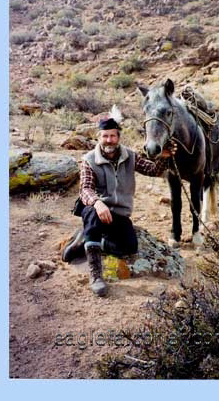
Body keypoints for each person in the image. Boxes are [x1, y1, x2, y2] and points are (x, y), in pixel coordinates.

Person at [75, 109, 176, 297]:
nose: (109, 140)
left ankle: (89, 241)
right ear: (99, 137)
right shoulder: (89, 160)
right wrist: (97, 203)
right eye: (105, 136)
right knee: (90, 212)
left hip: (119, 214)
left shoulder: (130, 156)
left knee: (129, 247)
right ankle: (96, 276)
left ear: (118, 137)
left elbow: (153, 170)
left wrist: (164, 158)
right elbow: (85, 190)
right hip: (97, 209)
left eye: (113, 136)